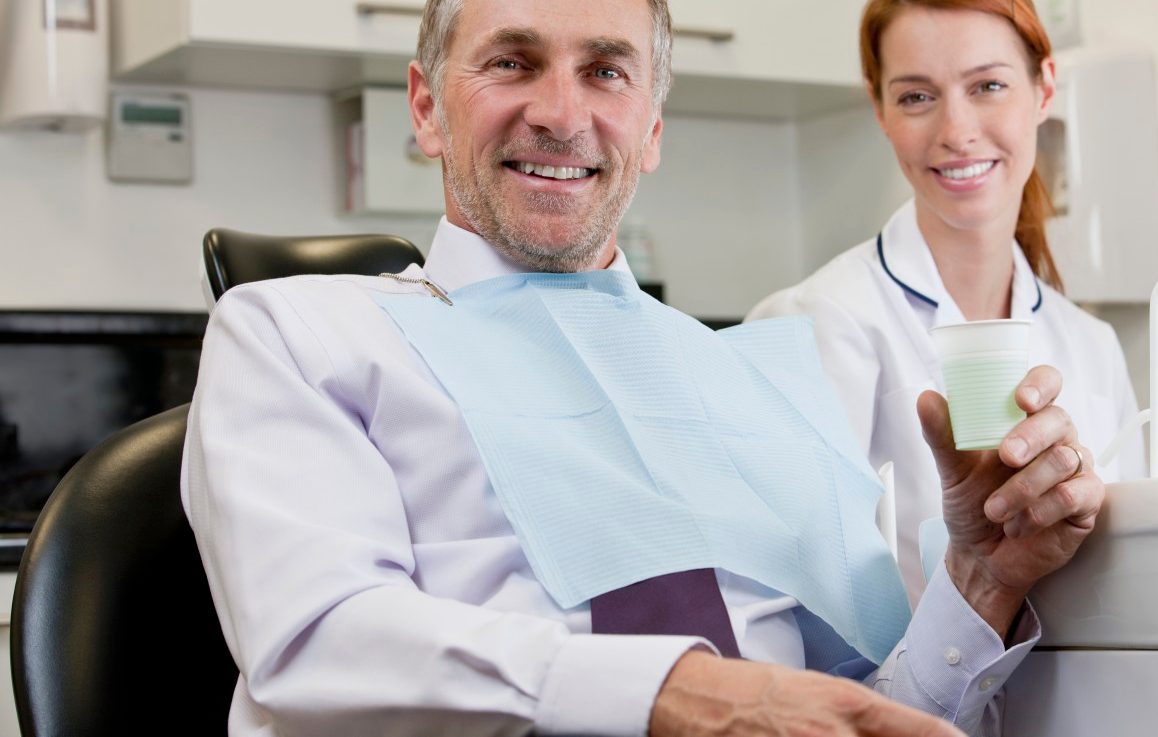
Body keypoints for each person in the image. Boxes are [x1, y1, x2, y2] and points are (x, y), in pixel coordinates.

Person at [182, 0, 1104, 734]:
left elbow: (866, 710)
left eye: (605, 72)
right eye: (512, 61)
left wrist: (983, 580)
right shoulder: (298, 333)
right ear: (426, 106)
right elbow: (317, 640)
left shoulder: (753, 379)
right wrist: (675, 694)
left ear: (652, 129)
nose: (559, 113)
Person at [748, 0, 1144, 604]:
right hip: (895, 699)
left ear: (1043, 90)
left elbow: (1137, 581)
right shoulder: (810, 325)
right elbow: (789, 626)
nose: (956, 131)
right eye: (916, 97)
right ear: (879, 108)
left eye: (988, 85)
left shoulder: (1092, 347)